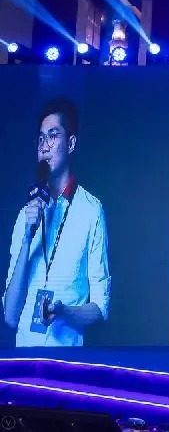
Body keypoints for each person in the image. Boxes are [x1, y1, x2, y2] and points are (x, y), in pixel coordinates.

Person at [3, 98, 111, 346]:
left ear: (71, 143)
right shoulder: (26, 214)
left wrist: (64, 312)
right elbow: (10, 315)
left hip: (66, 356)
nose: (45, 146)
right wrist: (27, 237)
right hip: (25, 356)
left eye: (53, 136)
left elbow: (100, 308)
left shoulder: (91, 211)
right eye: (41, 139)